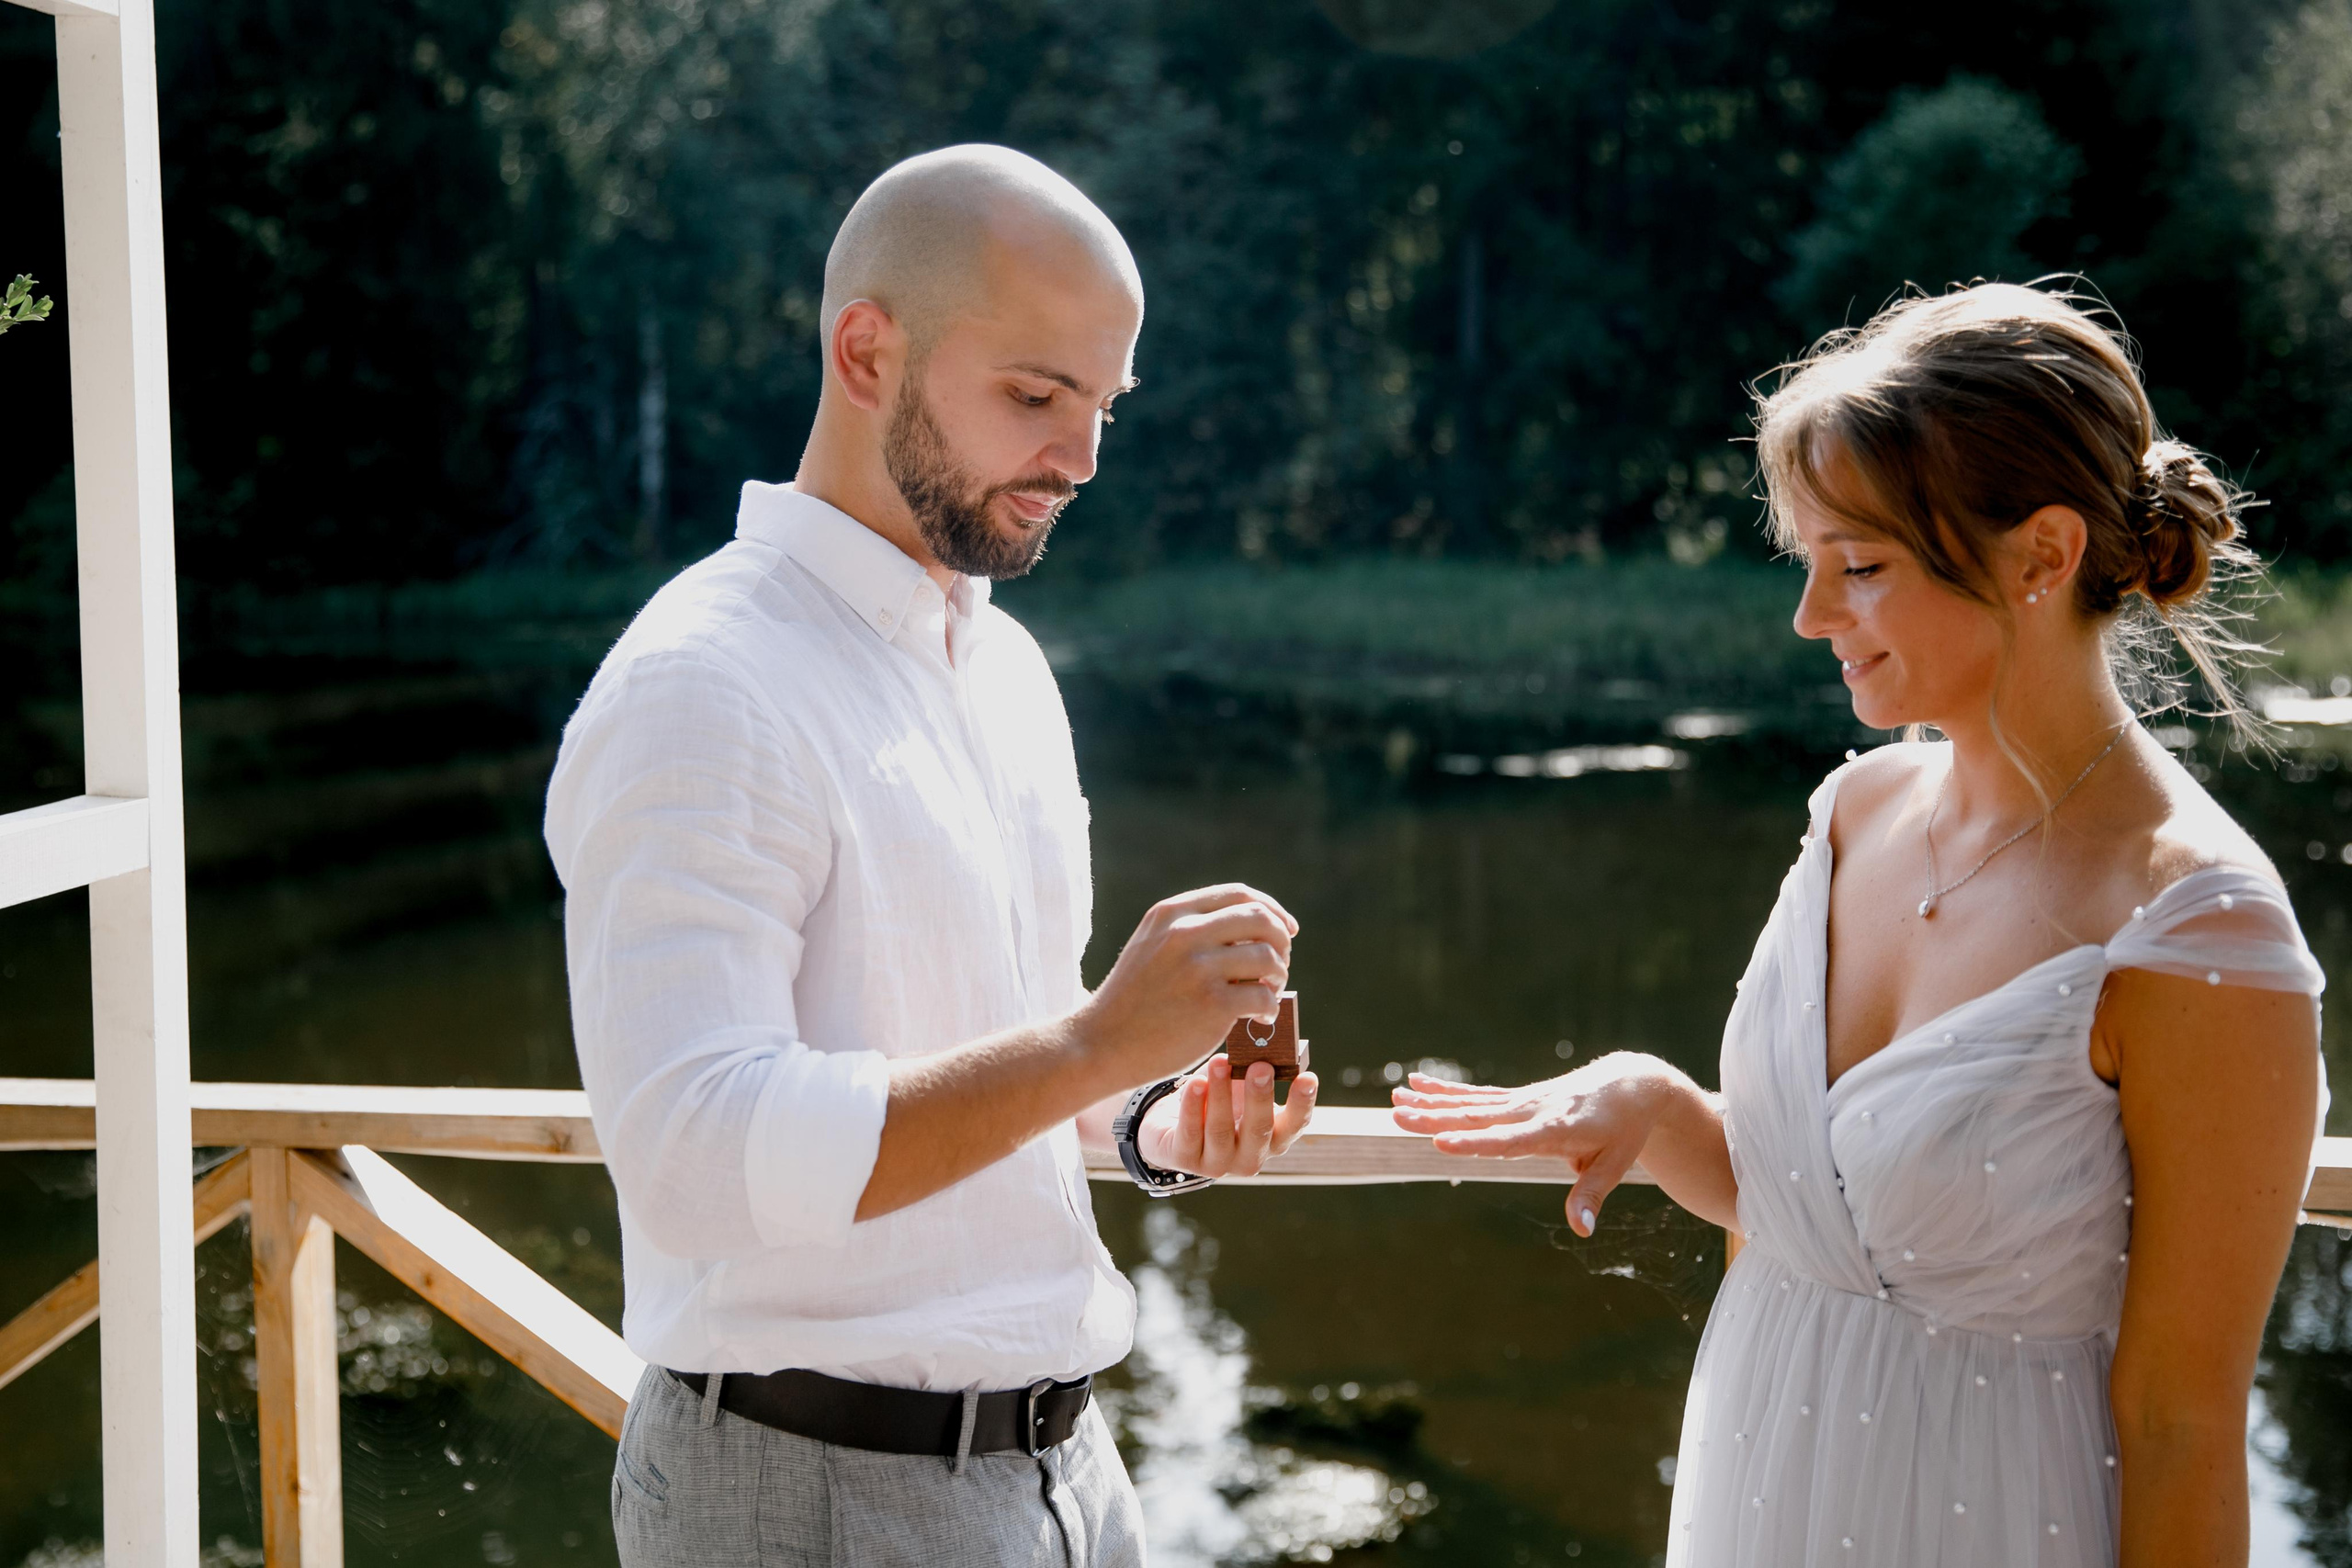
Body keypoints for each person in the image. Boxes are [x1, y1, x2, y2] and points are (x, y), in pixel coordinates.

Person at [1395, 283, 2328, 1565]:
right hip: (1756, 1497)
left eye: (1864, 568)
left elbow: (2180, 1425)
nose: (1812, 617)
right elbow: (1833, 1230)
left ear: (2042, 556)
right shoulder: (1854, 813)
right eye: (1811, 565)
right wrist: (1668, 1113)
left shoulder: (2195, 930)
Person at [545, 143, 1318, 1568]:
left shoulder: (1003, 664)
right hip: (812, 1492)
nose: (1081, 459)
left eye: (1101, 405)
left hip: (1072, 1477)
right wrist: (1095, 1044)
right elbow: (693, 1160)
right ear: (865, 352)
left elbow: (1004, 1060)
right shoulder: (702, 683)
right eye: (1036, 396)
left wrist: (1150, 1116)